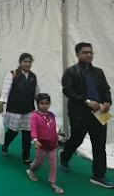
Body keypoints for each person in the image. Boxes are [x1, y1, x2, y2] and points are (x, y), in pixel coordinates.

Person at [59, 42, 113, 188]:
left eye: (91, 52)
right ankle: (64, 156)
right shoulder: (71, 72)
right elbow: (67, 91)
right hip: (79, 114)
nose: (89, 55)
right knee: (76, 140)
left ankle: (99, 175)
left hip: (100, 114)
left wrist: (108, 102)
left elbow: (106, 90)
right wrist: (87, 101)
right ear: (77, 55)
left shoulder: (99, 72)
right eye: (85, 52)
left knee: (99, 145)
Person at [0, 53, 39, 164]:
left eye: (29, 62)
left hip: (29, 109)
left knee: (27, 133)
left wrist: (41, 106)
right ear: (20, 63)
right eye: (25, 61)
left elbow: (37, 92)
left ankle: (26, 156)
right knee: (13, 131)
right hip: (14, 109)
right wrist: (1, 104)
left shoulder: (33, 76)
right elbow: (5, 90)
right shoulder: (12, 74)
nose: (27, 64)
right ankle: (5, 145)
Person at [26, 93, 64, 194]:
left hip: (52, 144)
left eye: (47, 103)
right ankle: (31, 170)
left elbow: (52, 129)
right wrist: (35, 140)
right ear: (37, 104)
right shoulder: (34, 116)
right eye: (42, 103)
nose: (44, 105)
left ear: (50, 104)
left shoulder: (52, 115)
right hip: (41, 144)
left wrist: (58, 137)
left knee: (53, 165)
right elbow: (33, 128)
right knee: (38, 162)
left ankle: (52, 182)